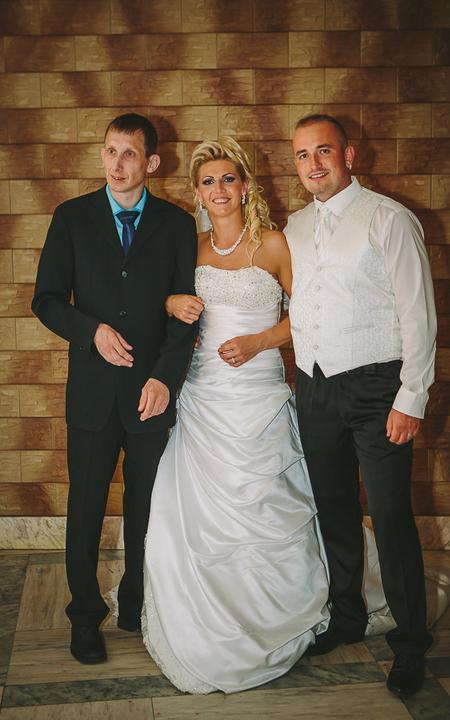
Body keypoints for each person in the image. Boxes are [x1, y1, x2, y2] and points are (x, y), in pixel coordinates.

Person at [141, 137, 394, 694]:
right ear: (197, 194)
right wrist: (168, 302)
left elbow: (308, 315)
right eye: (208, 182)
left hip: (260, 395)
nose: (219, 190)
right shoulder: (190, 247)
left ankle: (296, 606)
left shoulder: (276, 244)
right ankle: (207, 611)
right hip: (203, 401)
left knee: (275, 503)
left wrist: (258, 342)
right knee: (196, 514)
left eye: (228, 178)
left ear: (246, 187)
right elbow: (156, 301)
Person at [31, 113, 197, 665]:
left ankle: (136, 603)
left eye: (129, 154)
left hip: (152, 393)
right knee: (85, 507)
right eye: (110, 151)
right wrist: (91, 331)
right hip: (93, 393)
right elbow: (46, 300)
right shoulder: (71, 217)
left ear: (152, 162)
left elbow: (185, 313)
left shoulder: (176, 225)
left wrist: (164, 377)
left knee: (147, 507)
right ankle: (84, 616)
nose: (117, 164)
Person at [284, 113, 437, 696]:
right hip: (314, 386)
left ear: (348, 155)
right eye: (303, 155)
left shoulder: (389, 218)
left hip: (379, 389)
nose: (313, 164)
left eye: (323, 151)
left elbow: (418, 314)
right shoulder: (295, 226)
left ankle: (411, 641)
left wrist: (411, 397)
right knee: (334, 509)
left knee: (391, 515)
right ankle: (347, 616)